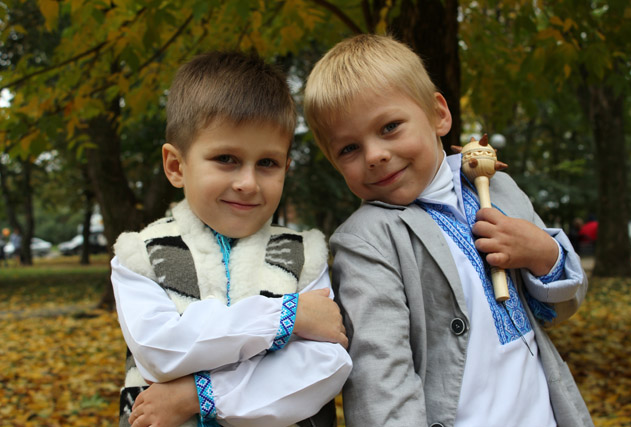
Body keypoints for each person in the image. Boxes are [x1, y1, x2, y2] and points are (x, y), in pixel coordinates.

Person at [303, 34, 592, 427]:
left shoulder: (499, 188)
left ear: (438, 114)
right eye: (348, 149)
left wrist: (545, 255)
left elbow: (561, 310)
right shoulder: (366, 241)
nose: (375, 155)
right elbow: (380, 378)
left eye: (390, 127)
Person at [111, 50, 351, 427]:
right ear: (176, 166)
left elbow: (325, 366)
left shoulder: (305, 255)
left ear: (286, 168)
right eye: (226, 158)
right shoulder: (139, 255)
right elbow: (160, 349)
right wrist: (286, 318)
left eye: (268, 163)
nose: (248, 183)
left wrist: (199, 395)